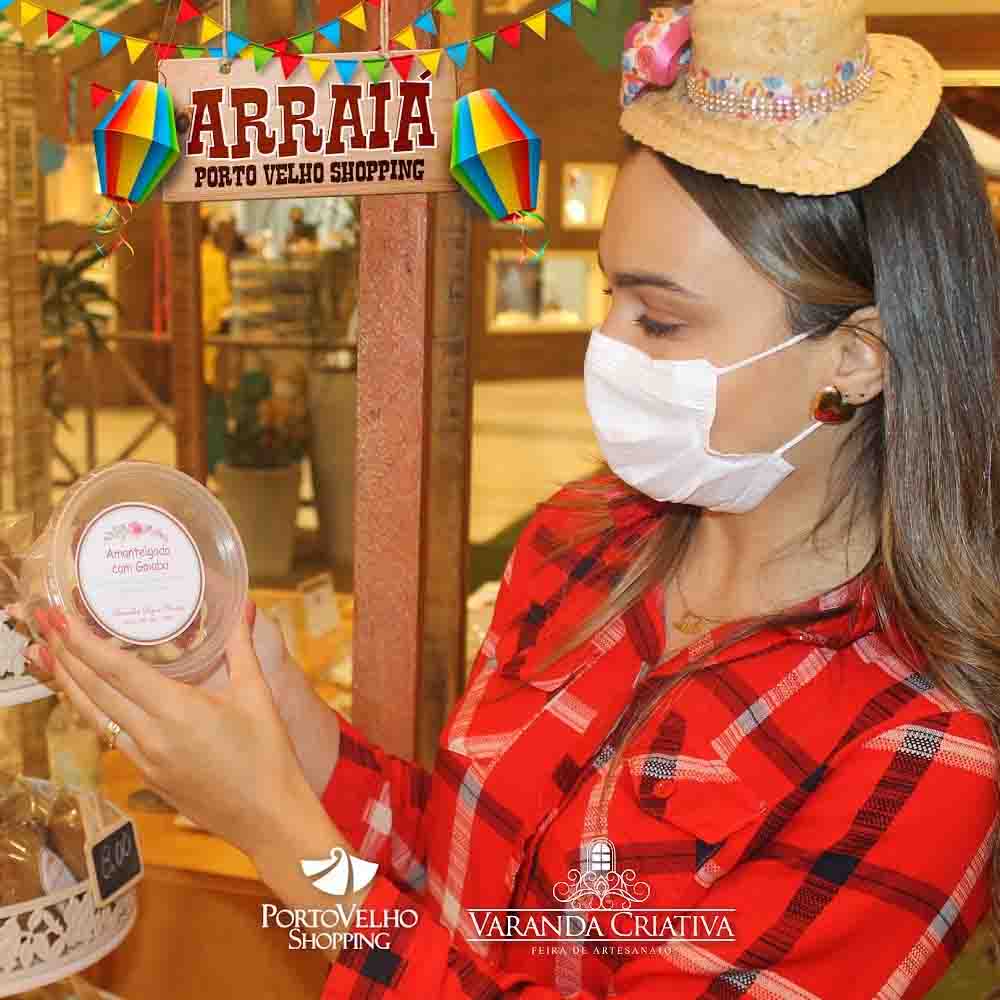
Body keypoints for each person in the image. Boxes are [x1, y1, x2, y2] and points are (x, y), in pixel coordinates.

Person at [21, 1, 1000, 997]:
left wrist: (276, 831)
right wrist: (285, 724)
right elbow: (459, 885)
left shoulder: (916, 751)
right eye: (609, 294)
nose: (606, 348)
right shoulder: (585, 545)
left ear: (856, 358)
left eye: (660, 321)